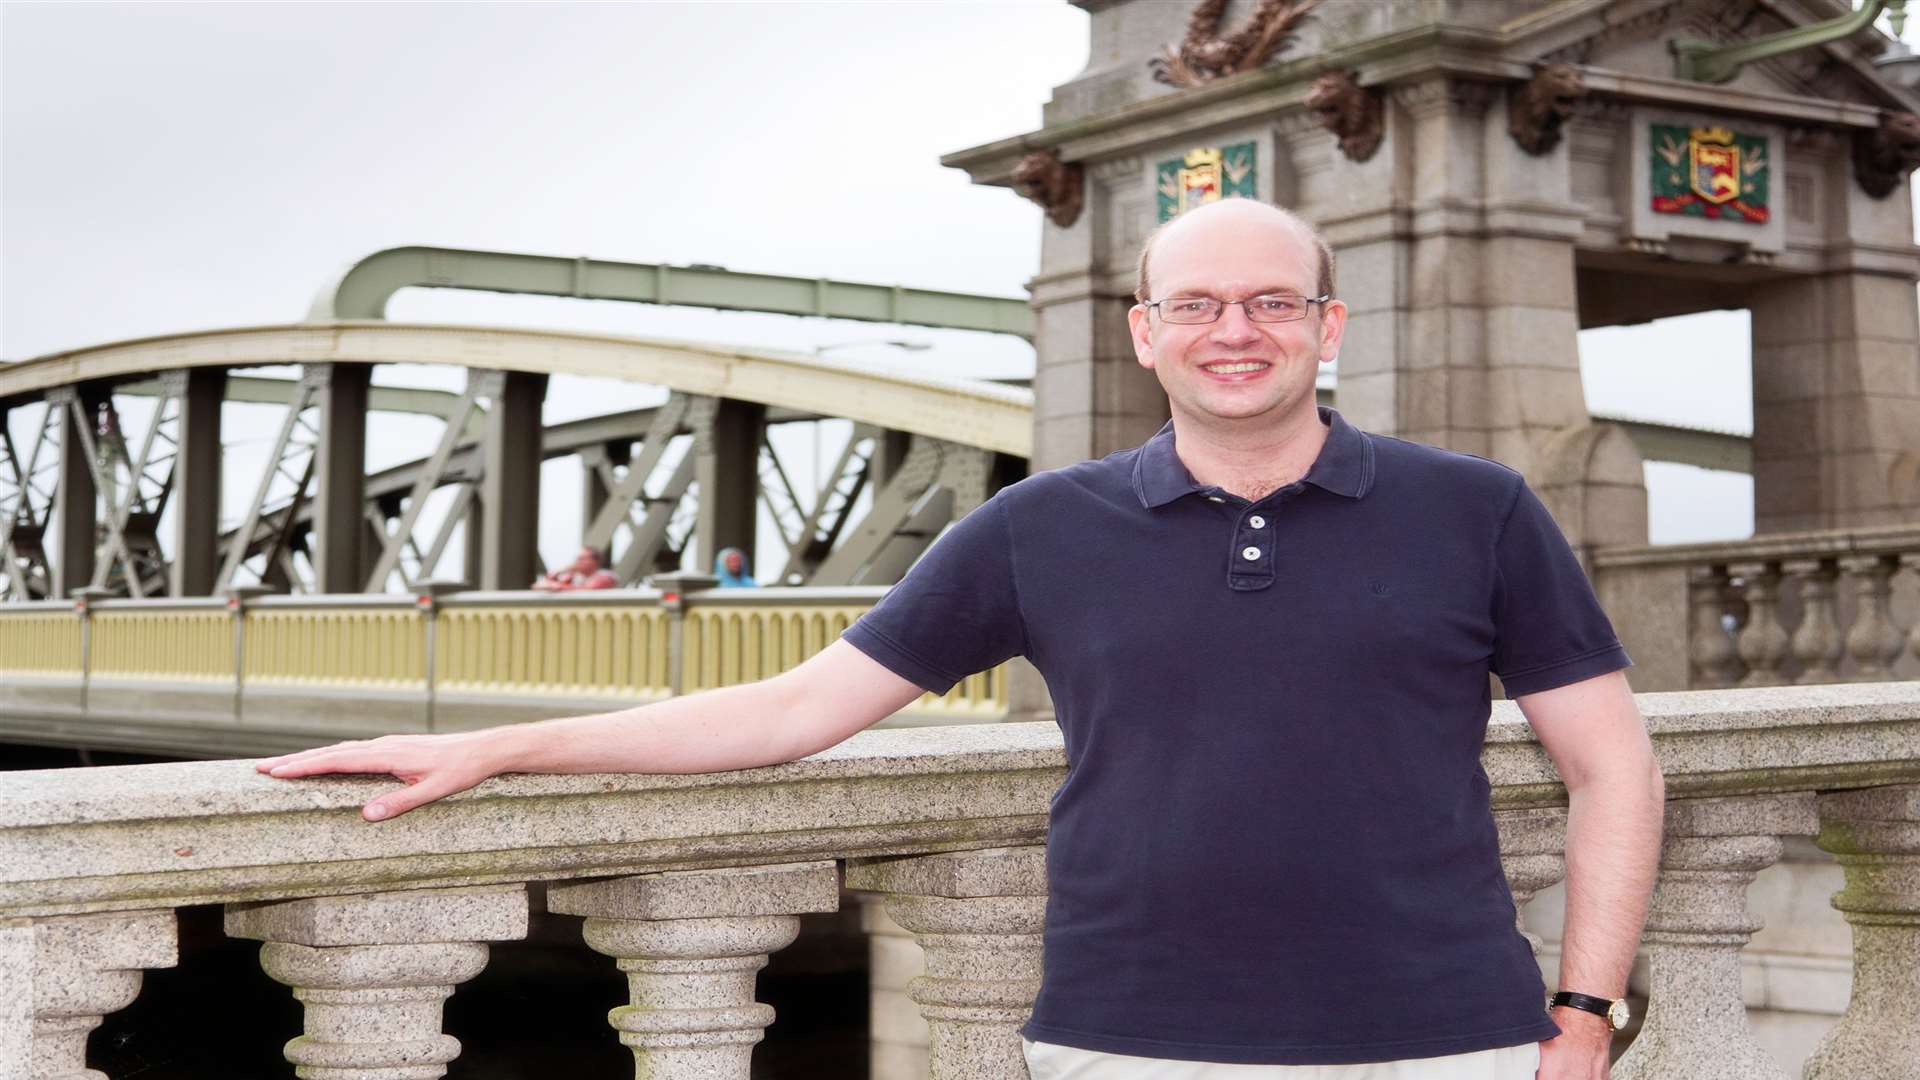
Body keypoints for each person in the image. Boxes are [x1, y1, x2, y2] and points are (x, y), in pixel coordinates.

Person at [258, 198, 1663, 1080]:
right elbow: (790, 712)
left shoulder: (1475, 511)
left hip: (1450, 1035)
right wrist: (503, 744)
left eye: (1272, 302)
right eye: (1196, 305)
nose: (1235, 331)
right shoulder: (1038, 529)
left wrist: (1585, 1010)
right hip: (1134, 1038)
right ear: (1143, 335)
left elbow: (1613, 766)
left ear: (1327, 326)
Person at [530, 546, 618, 591]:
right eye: (578, 559)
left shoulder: (605, 576)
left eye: (582, 559)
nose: (578, 562)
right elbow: (541, 584)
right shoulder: (574, 577)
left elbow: (587, 591)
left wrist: (557, 587)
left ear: (595, 561)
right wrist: (561, 571)